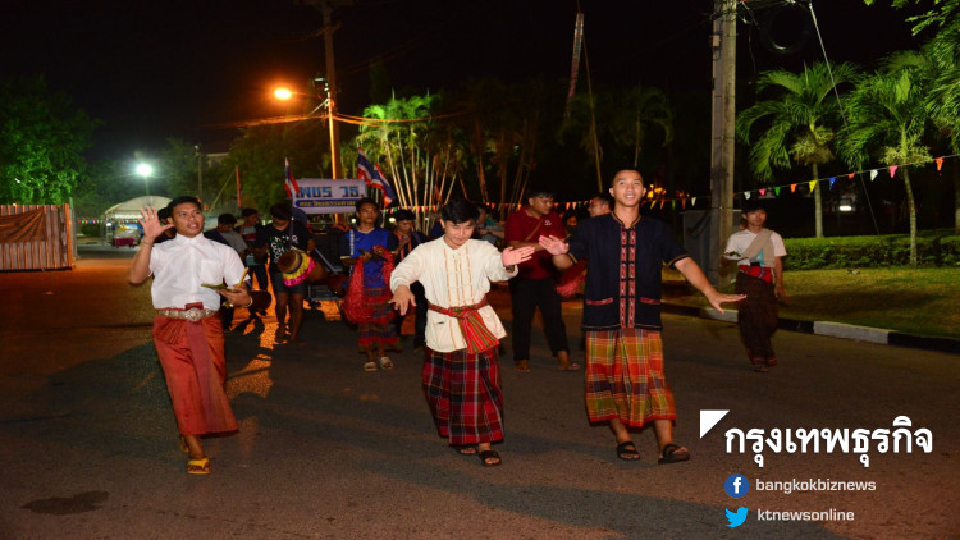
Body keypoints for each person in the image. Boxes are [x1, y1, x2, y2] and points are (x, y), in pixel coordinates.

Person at [540, 168, 744, 464]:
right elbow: (564, 263)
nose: (629, 188)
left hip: (643, 317)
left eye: (636, 183)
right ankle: (623, 438)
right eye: (622, 183)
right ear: (612, 191)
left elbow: (683, 261)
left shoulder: (657, 229)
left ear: (644, 191)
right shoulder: (590, 228)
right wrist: (557, 252)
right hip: (602, 317)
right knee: (606, 382)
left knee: (653, 380)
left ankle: (667, 444)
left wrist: (709, 291)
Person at [389, 199, 535, 467]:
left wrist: (507, 264)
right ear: (442, 223)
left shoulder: (483, 249)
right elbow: (402, 271)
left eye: (468, 227)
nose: (461, 233)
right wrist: (401, 287)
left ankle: (485, 442)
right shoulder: (426, 251)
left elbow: (498, 271)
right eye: (455, 227)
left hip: (478, 324)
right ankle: (461, 434)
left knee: (483, 386)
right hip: (443, 327)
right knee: (441, 387)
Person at [127, 196, 251, 475]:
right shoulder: (160, 251)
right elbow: (135, 278)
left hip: (209, 325)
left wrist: (242, 297)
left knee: (213, 383)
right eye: (183, 214)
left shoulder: (223, 252)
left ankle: (189, 429)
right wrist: (148, 240)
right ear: (171, 221)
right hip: (171, 326)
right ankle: (195, 449)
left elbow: (243, 294)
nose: (192, 219)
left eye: (195, 213)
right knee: (182, 387)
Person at [504, 188, 577, 372]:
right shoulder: (516, 217)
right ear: (531, 201)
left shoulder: (554, 218)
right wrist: (546, 246)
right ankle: (521, 358)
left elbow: (560, 242)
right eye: (544, 200)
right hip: (523, 276)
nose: (549, 204)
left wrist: (555, 246)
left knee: (554, 317)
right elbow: (515, 245)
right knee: (522, 318)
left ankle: (563, 356)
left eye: (551, 201)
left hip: (548, 275)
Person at [723, 199, 788, 372]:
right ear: (745, 216)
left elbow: (777, 262)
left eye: (761, 213)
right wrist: (729, 258)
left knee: (770, 321)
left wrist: (779, 284)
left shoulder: (773, 236)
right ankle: (760, 355)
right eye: (753, 213)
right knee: (753, 318)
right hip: (747, 280)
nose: (758, 216)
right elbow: (726, 258)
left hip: (766, 281)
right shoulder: (737, 237)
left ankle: (757, 348)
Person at [339, 197, 399, 371]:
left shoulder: (386, 235)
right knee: (364, 323)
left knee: (383, 322)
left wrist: (384, 253)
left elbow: (394, 258)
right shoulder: (349, 236)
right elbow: (344, 261)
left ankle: (382, 355)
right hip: (359, 286)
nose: (370, 214)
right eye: (365, 211)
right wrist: (360, 259)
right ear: (358, 214)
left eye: (373, 211)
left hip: (382, 285)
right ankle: (369, 357)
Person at [255, 202, 314, 344]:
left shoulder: (297, 226)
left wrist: (307, 252)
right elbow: (258, 253)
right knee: (281, 304)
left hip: (298, 271)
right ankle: (281, 325)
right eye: (280, 219)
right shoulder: (266, 230)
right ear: (272, 217)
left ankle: (294, 335)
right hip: (278, 271)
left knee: (297, 303)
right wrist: (262, 251)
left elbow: (310, 242)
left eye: (286, 219)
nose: (283, 222)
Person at [387, 209, 429, 352]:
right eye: (404, 224)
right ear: (397, 223)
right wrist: (400, 246)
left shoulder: (418, 237)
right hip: (398, 280)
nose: (408, 227)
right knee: (399, 310)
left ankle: (419, 342)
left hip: (418, 280)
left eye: (410, 224)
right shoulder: (390, 237)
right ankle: (396, 337)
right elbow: (387, 259)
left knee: (422, 309)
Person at [205, 214, 248, 331]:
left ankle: (227, 324)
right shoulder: (208, 235)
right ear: (220, 224)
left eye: (231, 227)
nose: (230, 229)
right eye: (228, 226)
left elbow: (240, 253)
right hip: (212, 272)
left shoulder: (235, 237)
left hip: (227, 273)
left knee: (228, 298)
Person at [237, 208, 269, 294]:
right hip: (245, 261)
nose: (255, 220)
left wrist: (262, 250)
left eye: (256, 217)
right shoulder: (238, 230)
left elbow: (266, 243)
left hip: (259, 260)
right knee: (247, 285)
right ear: (245, 218)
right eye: (253, 217)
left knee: (263, 284)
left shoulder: (260, 229)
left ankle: (264, 299)